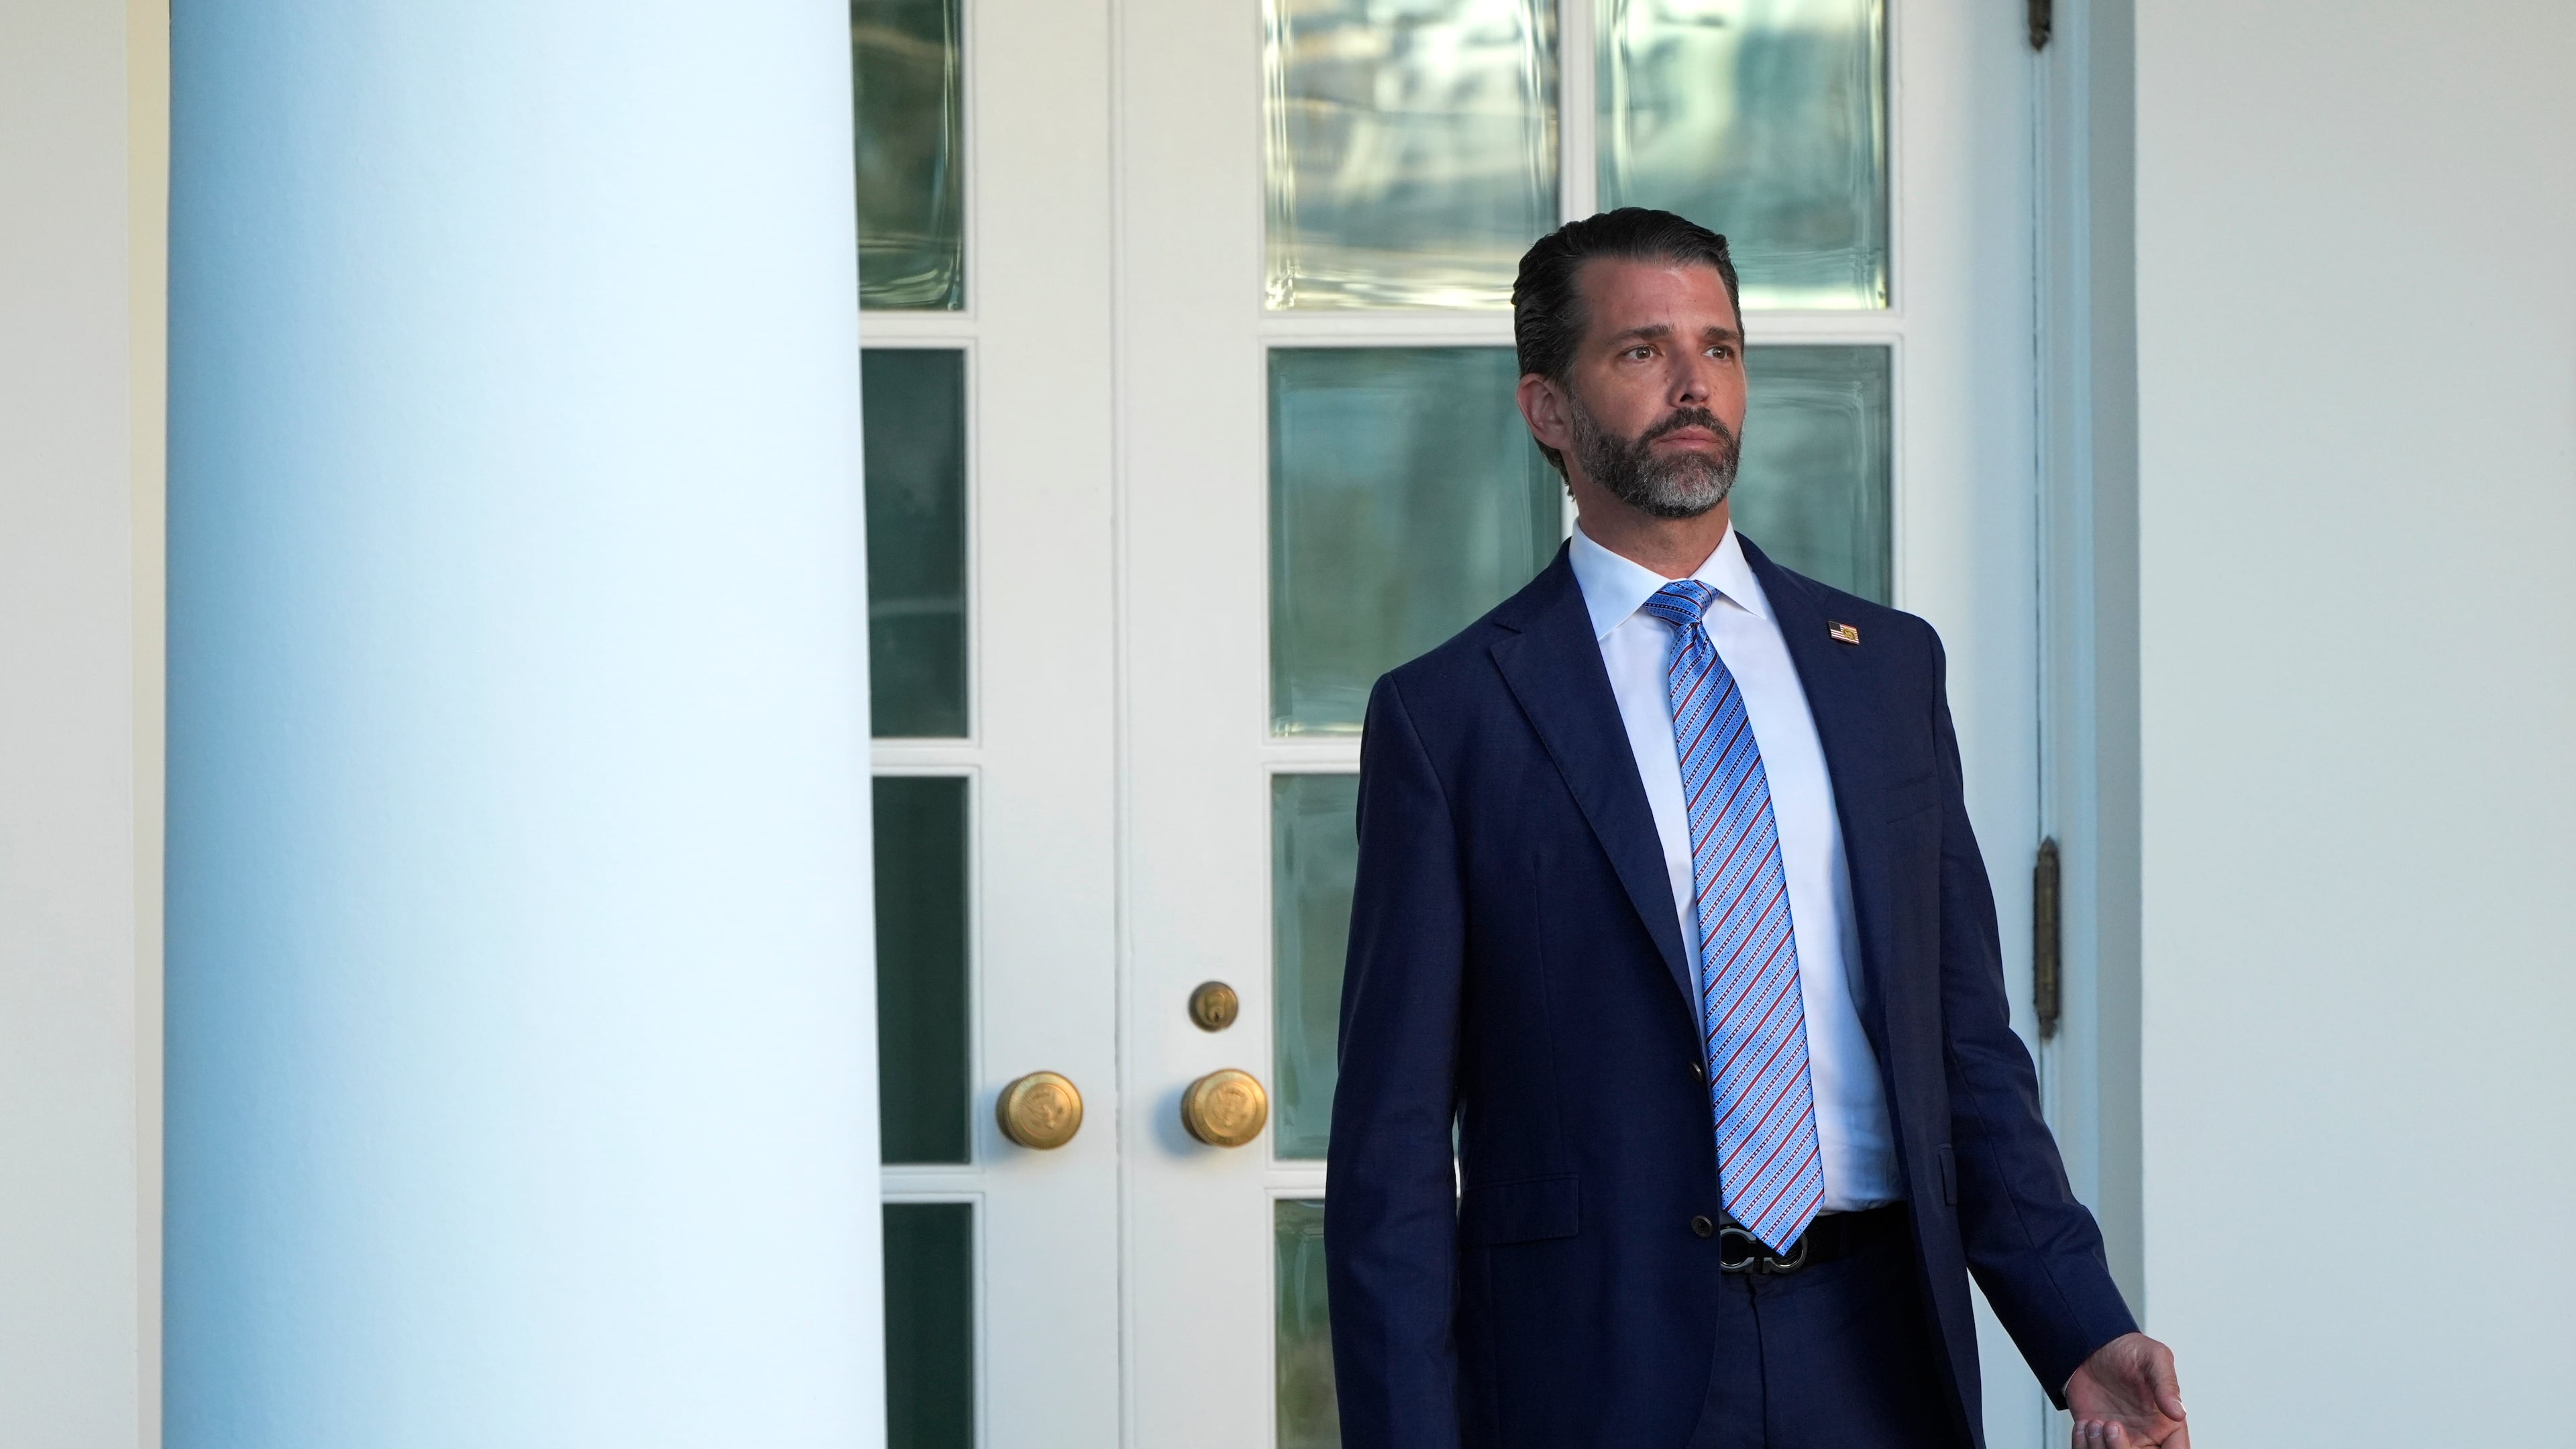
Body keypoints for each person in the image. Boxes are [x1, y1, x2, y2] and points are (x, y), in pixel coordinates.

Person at [1323, 209, 2190, 1449]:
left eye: (1719, 348)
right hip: (1593, 1363)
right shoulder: (1449, 715)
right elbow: (1394, 1148)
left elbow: (1968, 1050)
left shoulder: (1884, 668)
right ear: (1547, 410)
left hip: (1878, 1346)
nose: (1693, 385)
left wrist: (2079, 1330)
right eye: (1641, 352)